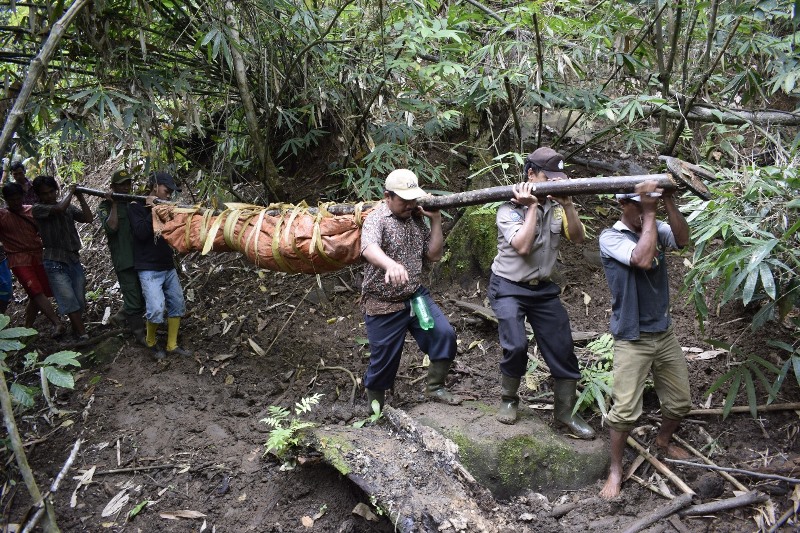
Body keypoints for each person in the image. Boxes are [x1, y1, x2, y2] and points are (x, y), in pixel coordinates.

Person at [488, 147, 594, 439]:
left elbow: (578, 238)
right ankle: (509, 399)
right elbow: (522, 247)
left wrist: (569, 204)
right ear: (531, 175)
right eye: (549, 177)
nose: (555, 183)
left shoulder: (557, 206)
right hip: (508, 286)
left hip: (543, 289)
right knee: (516, 345)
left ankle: (565, 413)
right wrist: (532, 206)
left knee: (562, 348)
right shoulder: (507, 207)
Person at [598, 180, 692, 499]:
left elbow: (682, 239)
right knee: (624, 411)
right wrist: (650, 212)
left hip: (663, 333)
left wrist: (666, 202)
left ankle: (663, 440)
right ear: (623, 205)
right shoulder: (611, 237)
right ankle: (614, 468)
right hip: (632, 337)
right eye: (637, 204)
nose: (641, 210)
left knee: (680, 401)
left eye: (644, 204)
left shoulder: (656, 224)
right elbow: (642, 259)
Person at [360, 168, 461, 411]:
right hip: (383, 302)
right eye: (403, 200)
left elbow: (434, 255)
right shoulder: (376, 219)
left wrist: (435, 220)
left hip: (415, 296)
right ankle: (375, 410)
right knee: (384, 360)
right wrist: (390, 264)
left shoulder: (416, 217)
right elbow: (368, 248)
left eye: (412, 199)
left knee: (444, 334)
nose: (409, 204)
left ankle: (435, 387)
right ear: (388, 197)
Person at [128, 171, 190, 360]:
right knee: (155, 309)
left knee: (177, 304)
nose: (169, 194)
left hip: (167, 264)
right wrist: (152, 210)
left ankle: (172, 345)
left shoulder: (167, 207)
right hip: (148, 267)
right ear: (155, 187)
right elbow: (140, 233)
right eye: (167, 190)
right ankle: (151, 342)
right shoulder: (135, 206)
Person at [32, 176, 93, 340]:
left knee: (79, 300)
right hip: (54, 262)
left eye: (52, 192)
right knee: (68, 300)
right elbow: (58, 209)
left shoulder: (68, 207)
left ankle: (76, 330)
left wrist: (80, 197)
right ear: (39, 195)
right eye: (45, 193)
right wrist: (72, 192)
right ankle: (83, 335)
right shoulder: (38, 208)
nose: (49, 196)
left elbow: (88, 218)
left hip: (73, 259)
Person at [0, 183, 64, 335]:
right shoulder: (2, 216)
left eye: (17, 198)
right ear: (6, 200)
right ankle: (57, 322)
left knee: (37, 291)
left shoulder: (32, 211)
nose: (15, 202)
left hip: (38, 255)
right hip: (18, 258)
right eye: (11, 200)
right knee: (35, 290)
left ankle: (27, 328)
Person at [98, 170, 146, 345]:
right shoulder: (105, 207)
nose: (125, 188)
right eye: (121, 184)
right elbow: (112, 227)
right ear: (113, 187)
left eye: (128, 184)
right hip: (124, 259)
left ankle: (120, 317)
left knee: (143, 294)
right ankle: (139, 333)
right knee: (133, 296)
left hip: (143, 257)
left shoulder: (135, 203)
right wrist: (114, 204)